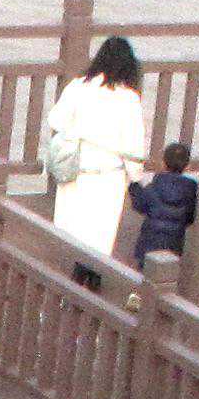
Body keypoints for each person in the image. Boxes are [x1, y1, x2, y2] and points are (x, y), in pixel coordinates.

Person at [38, 34, 153, 278]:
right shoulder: (128, 98)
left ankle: (77, 274)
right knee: (100, 232)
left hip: (76, 166)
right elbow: (133, 146)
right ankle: (92, 277)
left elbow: (56, 119)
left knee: (75, 228)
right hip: (107, 174)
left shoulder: (78, 86)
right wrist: (135, 177)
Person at [131, 138, 199, 269]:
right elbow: (190, 218)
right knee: (167, 274)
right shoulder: (191, 191)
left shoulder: (154, 186)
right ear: (187, 166)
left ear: (163, 163)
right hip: (174, 243)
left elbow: (139, 204)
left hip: (149, 242)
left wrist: (134, 185)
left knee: (143, 274)